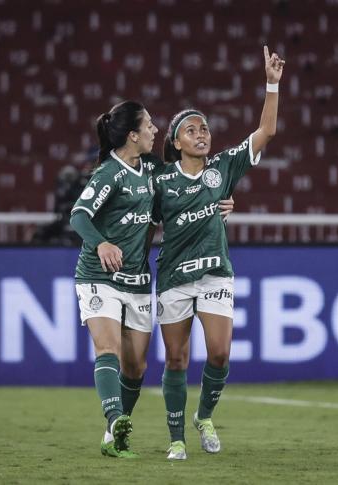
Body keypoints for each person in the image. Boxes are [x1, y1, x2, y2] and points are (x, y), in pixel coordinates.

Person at [69, 101, 236, 458]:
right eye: (148, 126)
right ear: (132, 135)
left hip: (138, 280)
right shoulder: (108, 174)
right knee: (108, 348)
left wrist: (222, 199)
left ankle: (114, 435)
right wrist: (101, 243)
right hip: (99, 276)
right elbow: (79, 216)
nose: (155, 130)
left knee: (137, 367)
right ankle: (115, 420)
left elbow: (188, 187)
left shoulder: (150, 171)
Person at [153, 45, 285, 460]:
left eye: (204, 127)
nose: (202, 133)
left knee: (220, 351)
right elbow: (140, 223)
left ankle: (204, 416)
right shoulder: (159, 182)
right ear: (175, 142)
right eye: (191, 129)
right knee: (176, 359)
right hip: (174, 275)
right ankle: (176, 438)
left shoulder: (223, 167)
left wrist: (272, 85)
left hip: (214, 273)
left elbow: (266, 133)